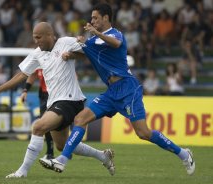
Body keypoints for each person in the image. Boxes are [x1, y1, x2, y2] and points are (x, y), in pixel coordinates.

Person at [40, 3, 195, 176]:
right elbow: (86, 54)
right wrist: (71, 54)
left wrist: (95, 33)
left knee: (143, 133)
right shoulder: (93, 40)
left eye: (95, 18)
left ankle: (183, 153)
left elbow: (115, 44)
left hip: (128, 89)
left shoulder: (115, 34)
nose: (92, 21)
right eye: (91, 18)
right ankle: (62, 160)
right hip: (112, 92)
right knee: (80, 119)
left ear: (106, 18)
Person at [0, 22, 115, 178]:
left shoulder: (66, 42)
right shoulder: (37, 54)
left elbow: (89, 53)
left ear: (49, 35)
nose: (36, 41)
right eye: (34, 38)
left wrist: (72, 55)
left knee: (38, 127)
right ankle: (102, 156)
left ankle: (22, 171)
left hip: (70, 100)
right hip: (55, 102)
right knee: (62, 145)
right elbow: (21, 75)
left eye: (38, 37)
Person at [21, 69, 54, 159]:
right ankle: (50, 152)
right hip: (44, 94)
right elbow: (32, 75)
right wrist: (25, 90)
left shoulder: (56, 58)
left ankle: (64, 149)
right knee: (45, 123)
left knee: (54, 123)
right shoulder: (39, 60)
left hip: (56, 93)